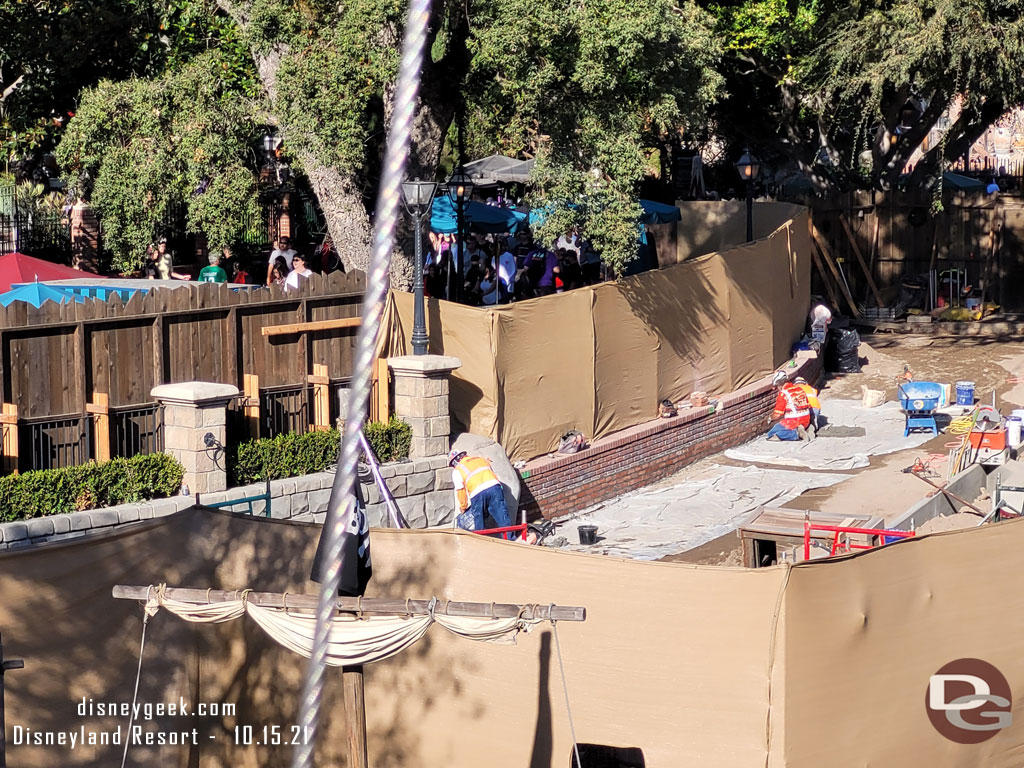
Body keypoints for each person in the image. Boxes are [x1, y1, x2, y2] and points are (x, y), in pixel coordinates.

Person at [449, 450, 514, 538]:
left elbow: (461, 491)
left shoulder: (457, 470)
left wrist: (463, 507)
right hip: (494, 488)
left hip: (477, 494)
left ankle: (481, 544)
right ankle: (511, 542)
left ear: (454, 462)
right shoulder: (481, 459)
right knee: (503, 518)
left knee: (479, 524)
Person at [766, 371, 813, 441]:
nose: (776, 389)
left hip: (793, 421)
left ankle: (797, 433)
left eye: (776, 386)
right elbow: (808, 405)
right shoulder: (800, 389)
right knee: (781, 427)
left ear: (779, 385)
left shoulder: (783, 394)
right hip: (806, 420)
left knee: (771, 433)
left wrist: (770, 418)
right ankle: (807, 428)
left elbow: (778, 414)